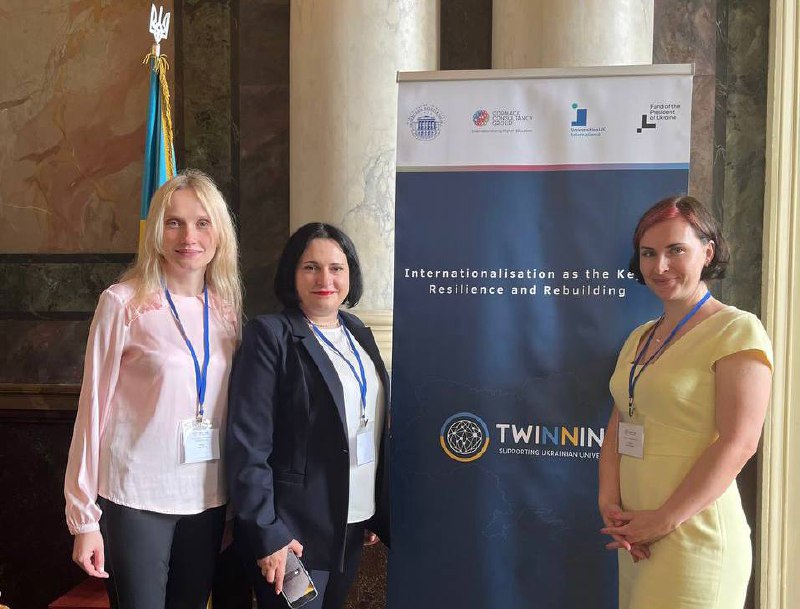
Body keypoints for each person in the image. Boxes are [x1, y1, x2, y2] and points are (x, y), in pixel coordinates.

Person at [64, 170, 242, 609]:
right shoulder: (123, 302)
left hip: (206, 499)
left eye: (202, 223)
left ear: (219, 232)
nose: (189, 237)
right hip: (136, 498)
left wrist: (234, 507)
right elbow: (92, 410)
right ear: (156, 231)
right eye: (174, 222)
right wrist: (84, 518)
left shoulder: (226, 312)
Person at [597, 195, 773, 609]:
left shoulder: (736, 329)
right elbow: (621, 422)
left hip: (694, 538)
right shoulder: (639, 337)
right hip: (637, 537)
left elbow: (740, 442)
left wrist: (663, 520)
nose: (660, 266)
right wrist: (609, 504)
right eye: (648, 253)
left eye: (676, 250)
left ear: (707, 253)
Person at [226, 222, 390, 609]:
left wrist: (372, 509)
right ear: (292, 274)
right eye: (311, 267)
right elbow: (248, 443)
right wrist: (268, 532)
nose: (325, 279)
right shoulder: (270, 336)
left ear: (350, 274)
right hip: (293, 533)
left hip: (352, 522)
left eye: (336, 268)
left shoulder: (357, 332)